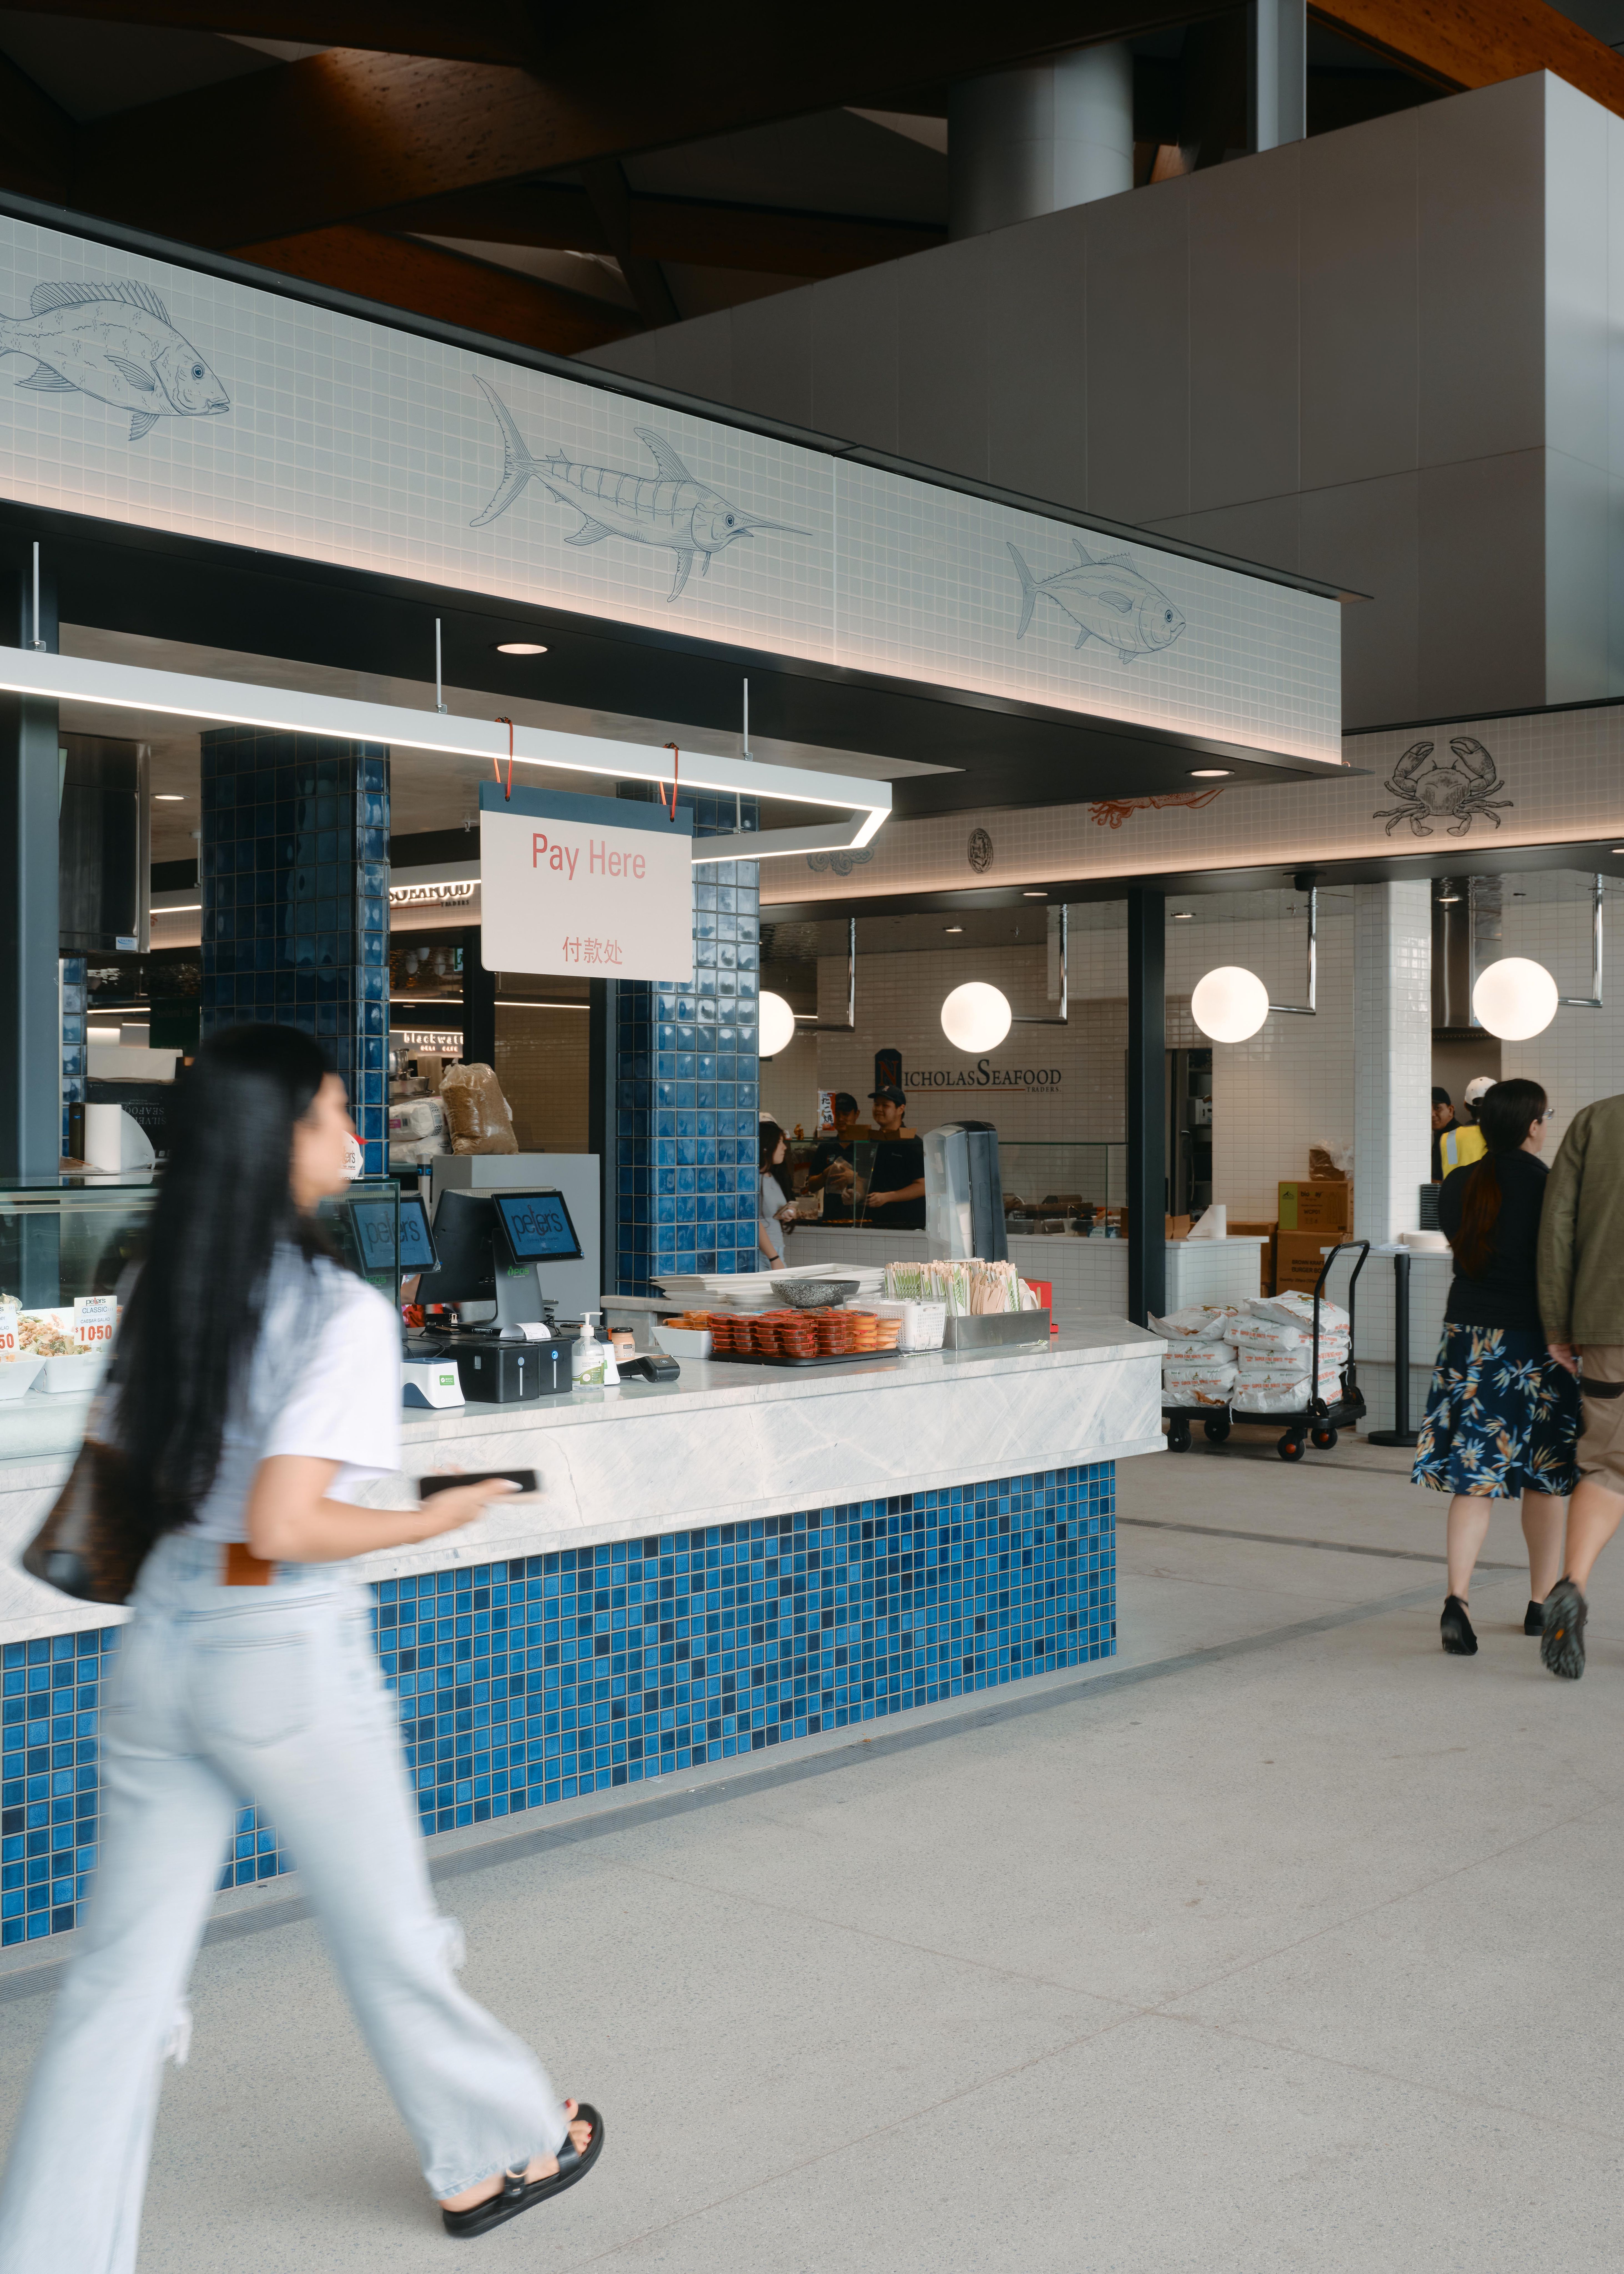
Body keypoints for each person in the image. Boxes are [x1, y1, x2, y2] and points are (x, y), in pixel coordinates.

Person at [0, 1027, 601, 2265]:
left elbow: (141, 1486)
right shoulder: (334, 1306)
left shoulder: (154, 1274)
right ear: (281, 1137)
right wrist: (434, 1511)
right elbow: (283, 1524)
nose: (361, 1137)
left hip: (162, 1641)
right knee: (388, 1930)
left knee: (116, 1984)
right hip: (278, 1650)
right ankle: (494, 2150)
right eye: (337, 1112)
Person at [1412, 1078, 1578, 1656]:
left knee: (1472, 1473)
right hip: (1535, 1342)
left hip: (1468, 1336)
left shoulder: (1460, 1182)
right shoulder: (1551, 1184)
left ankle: (1457, 1598)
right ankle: (1539, 1604)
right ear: (1533, 1125)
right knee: (1546, 1475)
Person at [1537, 1089, 1624, 1678]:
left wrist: (1558, 1322)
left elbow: (1558, 1226)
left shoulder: (1598, 1119)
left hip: (1605, 1319)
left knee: (1606, 1464)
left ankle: (1571, 1584)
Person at [860, 1085, 926, 1230]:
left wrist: (887, 1197)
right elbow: (864, 1179)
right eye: (876, 1104)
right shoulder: (872, 1141)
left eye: (885, 1105)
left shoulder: (912, 1143)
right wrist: (856, 1194)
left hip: (906, 1225)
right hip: (873, 1222)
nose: (879, 1109)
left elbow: (923, 1186)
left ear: (900, 1110)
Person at [805, 1091, 865, 1220]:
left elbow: (876, 1183)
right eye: (837, 1115)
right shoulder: (826, 1147)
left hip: (862, 1219)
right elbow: (811, 1186)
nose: (841, 1119)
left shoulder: (866, 1146)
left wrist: (855, 1178)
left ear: (857, 1115)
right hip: (832, 1218)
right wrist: (825, 1175)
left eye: (846, 1114)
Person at [758, 1117, 796, 1261]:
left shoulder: (773, 1176)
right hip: (765, 1255)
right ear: (767, 1147)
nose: (785, 1148)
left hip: (777, 1250)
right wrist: (774, 1258)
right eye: (780, 1143)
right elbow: (754, 1222)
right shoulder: (753, 1180)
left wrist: (786, 1214)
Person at [1439, 1078, 1489, 1176]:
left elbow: (1451, 1170)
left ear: (1467, 1106)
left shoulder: (1451, 1137)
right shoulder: (1501, 1135)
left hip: (1457, 1191)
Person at [1431, 1087, 1455, 1182]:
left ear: (1450, 1110)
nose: (1432, 1114)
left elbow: (1452, 1178)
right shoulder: (1441, 1135)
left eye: (1437, 1108)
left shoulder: (1453, 1138)